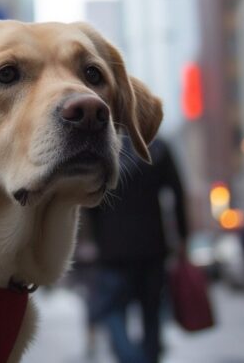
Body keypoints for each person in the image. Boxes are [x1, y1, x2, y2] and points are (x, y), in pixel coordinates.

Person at [85, 136, 189, 363]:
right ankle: (145, 358)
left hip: (112, 250)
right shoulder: (158, 148)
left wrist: (97, 236)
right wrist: (182, 237)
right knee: (151, 312)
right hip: (152, 247)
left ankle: (130, 358)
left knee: (112, 310)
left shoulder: (104, 147)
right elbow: (178, 193)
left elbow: (88, 198)